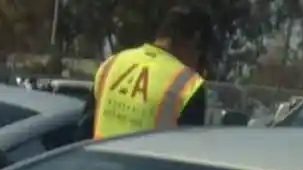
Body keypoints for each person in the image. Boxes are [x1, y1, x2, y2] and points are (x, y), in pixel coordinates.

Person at [74, 5, 216, 143]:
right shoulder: (190, 86)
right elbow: (188, 154)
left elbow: (81, 139)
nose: (198, 65)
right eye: (202, 56)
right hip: (151, 167)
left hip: (96, 165)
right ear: (196, 39)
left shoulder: (111, 65)